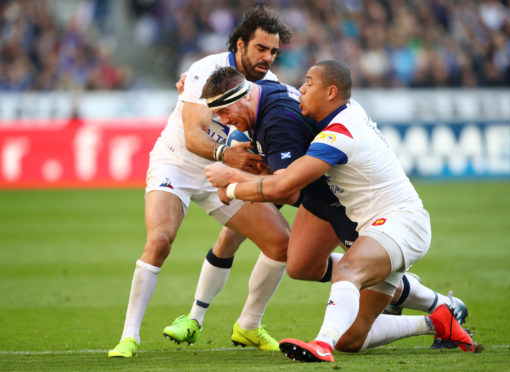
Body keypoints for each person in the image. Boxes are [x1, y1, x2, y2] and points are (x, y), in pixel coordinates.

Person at [205, 61, 479, 362]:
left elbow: (284, 187)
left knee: (348, 270)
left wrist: (230, 186)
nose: (302, 90)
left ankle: (322, 344)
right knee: (351, 338)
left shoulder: (339, 134)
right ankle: (436, 320)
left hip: (399, 223)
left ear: (331, 92)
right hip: (371, 227)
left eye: (309, 84)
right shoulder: (341, 117)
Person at [108, 6, 294, 358]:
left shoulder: (270, 87)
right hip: (176, 162)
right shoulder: (205, 69)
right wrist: (229, 155)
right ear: (240, 44)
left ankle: (249, 326)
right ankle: (129, 336)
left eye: (273, 52)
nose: (267, 58)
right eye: (260, 49)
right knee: (160, 240)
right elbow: (193, 136)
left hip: (224, 173)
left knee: (282, 244)